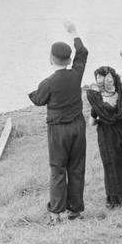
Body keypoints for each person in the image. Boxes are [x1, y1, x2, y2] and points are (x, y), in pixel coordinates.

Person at [28, 20, 89, 224]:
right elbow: (83, 53)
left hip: (58, 131)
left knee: (58, 170)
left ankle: (55, 214)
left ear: (51, 58)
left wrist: (32, 92)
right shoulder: (76, 74)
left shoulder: (48, 83)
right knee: (76, 168)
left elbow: (38, 100)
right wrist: (74, 32)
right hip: (78, 127)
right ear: (69, 59)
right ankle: (75, 211)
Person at [86, 48, 122, 208]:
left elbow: (91, 122)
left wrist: (102, 121)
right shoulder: (121, 91)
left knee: (112, 164)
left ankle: (116, 199)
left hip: (107, 134)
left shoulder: (98, 102)